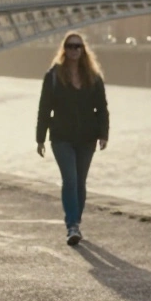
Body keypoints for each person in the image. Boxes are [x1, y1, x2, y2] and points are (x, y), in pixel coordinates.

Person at [35, 31, 109, 246]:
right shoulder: (53, 76)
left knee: (80, 182)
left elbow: (102, 108)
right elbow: (44, 108)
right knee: (70, 179)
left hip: (87, 138)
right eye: (70, 46)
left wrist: (103, 134)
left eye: (78, 46)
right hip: (61, 137)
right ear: (64, 50)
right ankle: (72, 226)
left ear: (83, 50)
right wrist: (40, 138)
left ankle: (76, 220)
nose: (74, 50)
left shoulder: (93, 77)